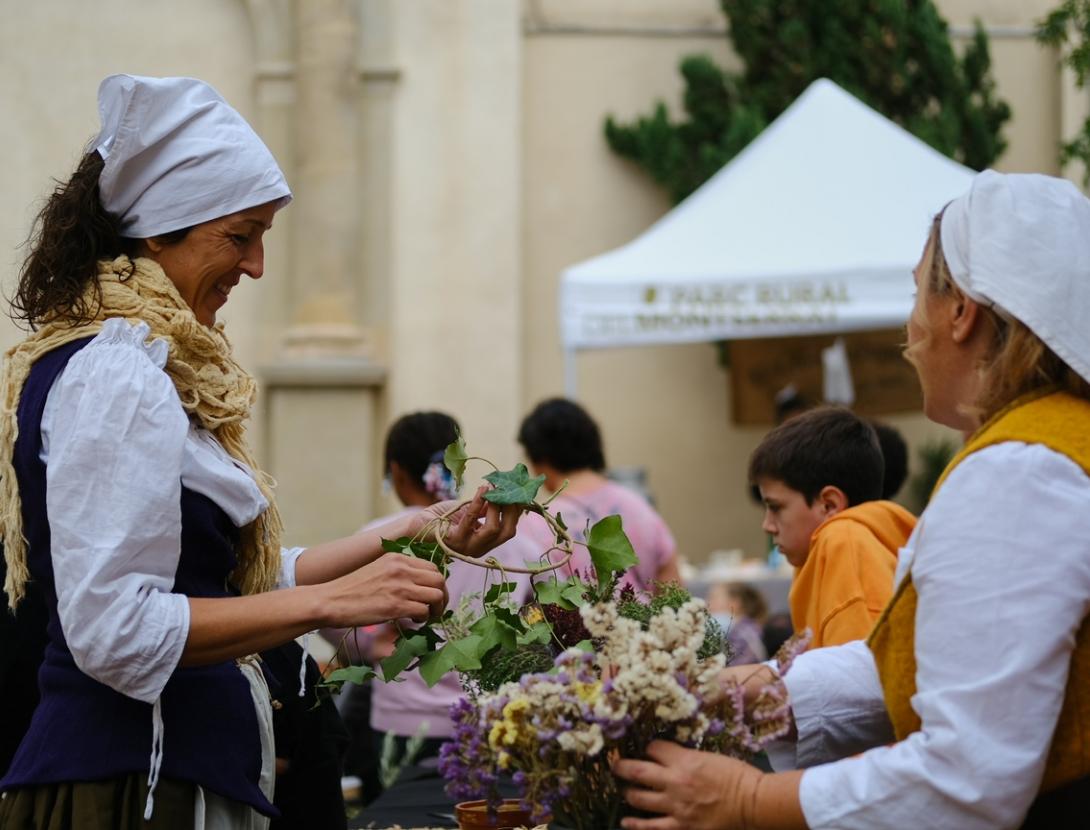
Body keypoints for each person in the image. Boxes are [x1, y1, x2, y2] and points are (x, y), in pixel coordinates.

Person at [0, 75, 520, 830]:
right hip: (131, 786)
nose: (256, 267)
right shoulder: (118, 372)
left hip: (165, 775)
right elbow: (113, 631)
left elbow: (210, 579)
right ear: (161, 229)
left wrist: (407, 532)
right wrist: (329, 604)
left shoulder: (142, 363)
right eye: (241, 236)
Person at [614, 170, 1090, 829]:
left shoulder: (1021, 470)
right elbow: (937, 659)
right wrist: (758, 692)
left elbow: (967, 777)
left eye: (918, 290)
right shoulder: (1045, 446)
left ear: (961, 313)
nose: (909, 324)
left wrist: (748, 801)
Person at [322, 412, 536, 771]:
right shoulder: (510, 539)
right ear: (459, 466)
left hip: (403, 725)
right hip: (492, 724)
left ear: (396, 471)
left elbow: (326, 605)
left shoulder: (381, 537)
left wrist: (371, 644)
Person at [749, 406, 916, 648]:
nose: (767, 525)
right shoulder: (820, 549)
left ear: (829, 505)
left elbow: (856, 675)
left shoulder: (844, 541)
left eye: (776, 507)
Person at [517, 397, 680, 592]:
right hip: (645, 621)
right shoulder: (640, 508)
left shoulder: (536, 525)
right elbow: (674, 592)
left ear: (540, 458)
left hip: (582, 623)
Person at [706, 582, 768, 665]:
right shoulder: (742, 629)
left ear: (734, 603)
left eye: (713, 598)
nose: (707, 603)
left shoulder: (744, 633)